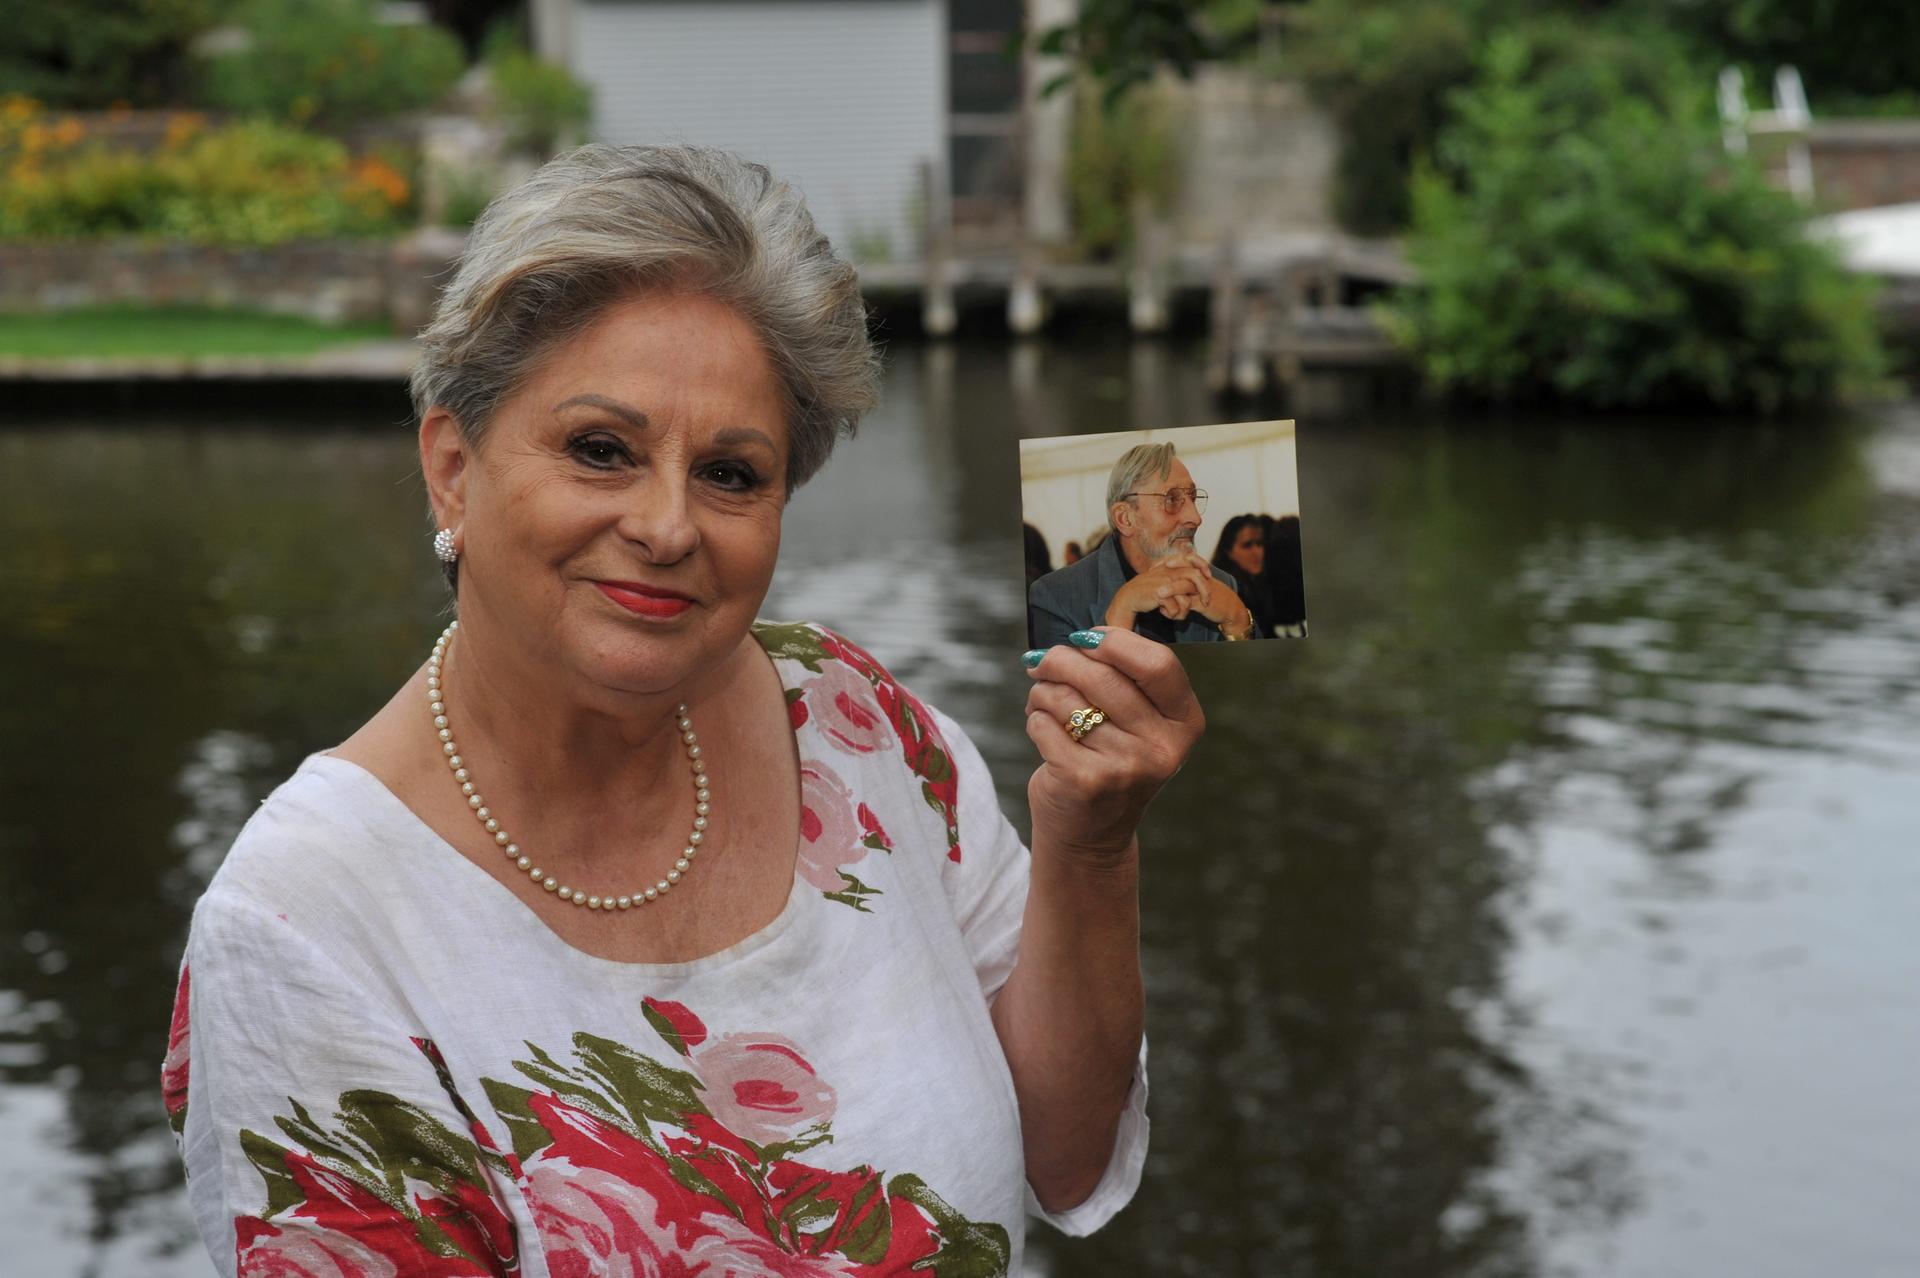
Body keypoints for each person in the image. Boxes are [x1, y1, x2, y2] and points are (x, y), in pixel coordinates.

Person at [161, 144, 1204, 1277]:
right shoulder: (307, 925)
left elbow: (1066, 1155)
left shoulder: (858, 725)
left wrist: (1089, 847)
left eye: (731, 474)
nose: (667, 527)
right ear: (453, 467)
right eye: (600, 450)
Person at [1027, 442, 1255, 649]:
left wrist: (1237, 621)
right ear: (1125, 518)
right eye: (1172, 499)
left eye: (1193, 498)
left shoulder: (1221, 584)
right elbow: (1071, 682)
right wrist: (1121, 612)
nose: (1195, 518)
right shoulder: (1056, 597)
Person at [1210, 513, 1281, 640]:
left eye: (1259, 544)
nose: (1256, 552)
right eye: (1247, 545)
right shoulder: (1224, 587)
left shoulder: (1263, 582)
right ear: (1228, 551)